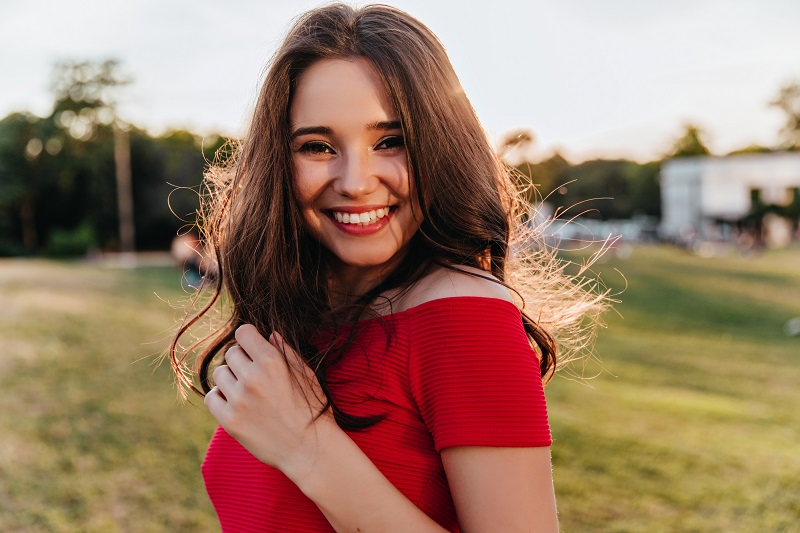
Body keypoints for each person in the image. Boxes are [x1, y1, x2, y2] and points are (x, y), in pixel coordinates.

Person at [169, 4, 607, 532]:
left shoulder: (466, 319)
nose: (355, 180)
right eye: (318, 146)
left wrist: (309, 448)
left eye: (390, 141)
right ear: (279, 163)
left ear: (442, 148)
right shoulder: (305, 314)